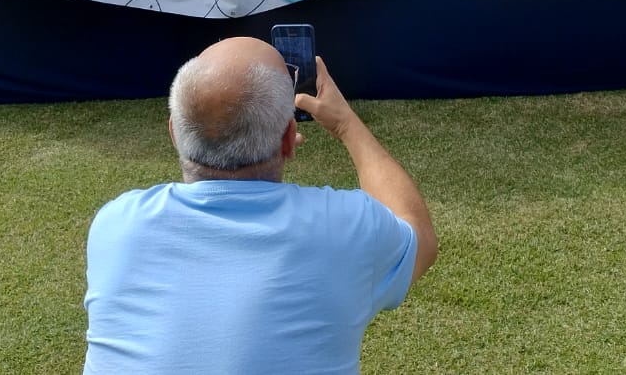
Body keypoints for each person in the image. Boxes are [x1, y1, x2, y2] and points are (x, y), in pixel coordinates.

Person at [82, 37, 436, 374]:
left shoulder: (116, 225)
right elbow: (418, 236)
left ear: (175, 132)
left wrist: (272, 148)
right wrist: (345, 124)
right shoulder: (345, 225)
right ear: (288, 139)